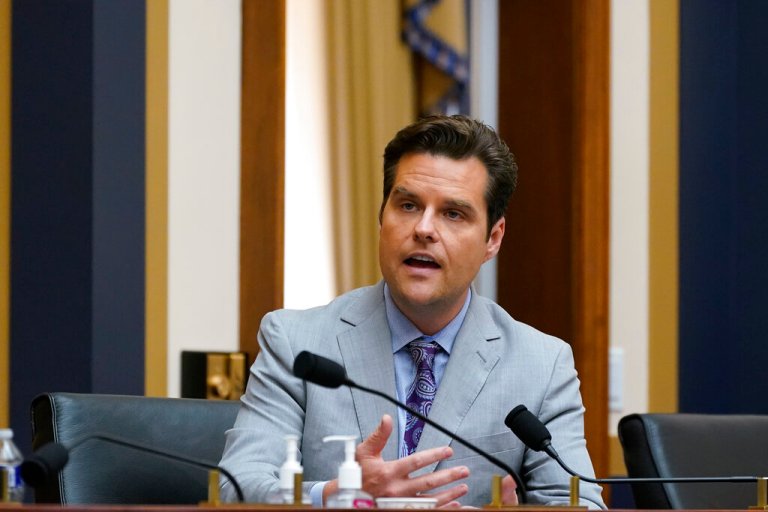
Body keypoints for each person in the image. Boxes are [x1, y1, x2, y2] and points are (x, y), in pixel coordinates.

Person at [219, 115, 605, 508]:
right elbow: (237, 486)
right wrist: (338, 496)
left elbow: (582, 504)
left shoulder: (541, 364)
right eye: (407, 205)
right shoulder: (297, 343)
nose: (423, 229)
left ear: (493, 238)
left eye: (453, 213)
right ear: (381, 216)